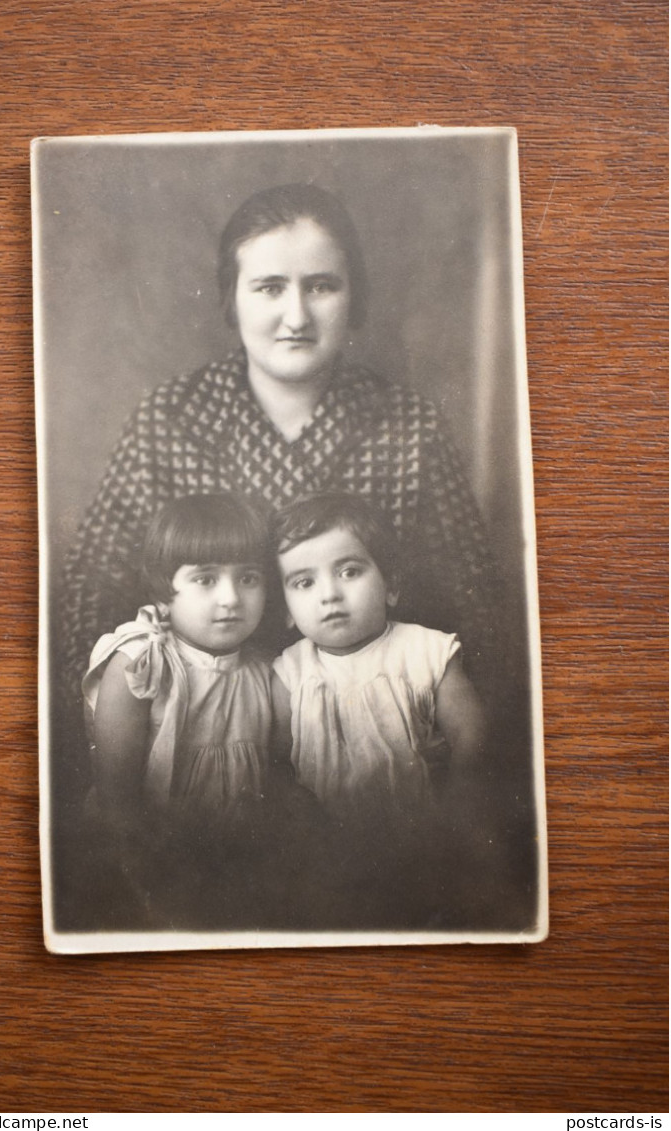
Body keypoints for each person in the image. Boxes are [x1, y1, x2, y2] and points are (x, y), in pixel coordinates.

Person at [58, 183, 501, 717]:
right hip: (198, 730)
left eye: (321, 286)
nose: (296, 316)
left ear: (352, 295)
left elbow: (476, 606)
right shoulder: (169, 417)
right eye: (269, 288)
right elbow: (88, 593)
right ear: (231, 297)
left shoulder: (409, 424)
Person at [270, 492, 493, 928]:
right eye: (304, 583)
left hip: (421, 833)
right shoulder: (289, 671)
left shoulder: (425, 649)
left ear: (391, 585)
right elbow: (275, 760)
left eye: (349, 571)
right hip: (324, 840)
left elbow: (471, 734)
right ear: (287, 613)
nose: (330, 594)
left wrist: (463, 791)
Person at [80, 493, 278, 924]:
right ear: (163, 592)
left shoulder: (266, 672)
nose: (231, 598)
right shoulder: (142, 662)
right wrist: (149, 881)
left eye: (249, 579)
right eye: (206, 579)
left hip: (236, 864)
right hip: (143, 862)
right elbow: (118, 799)